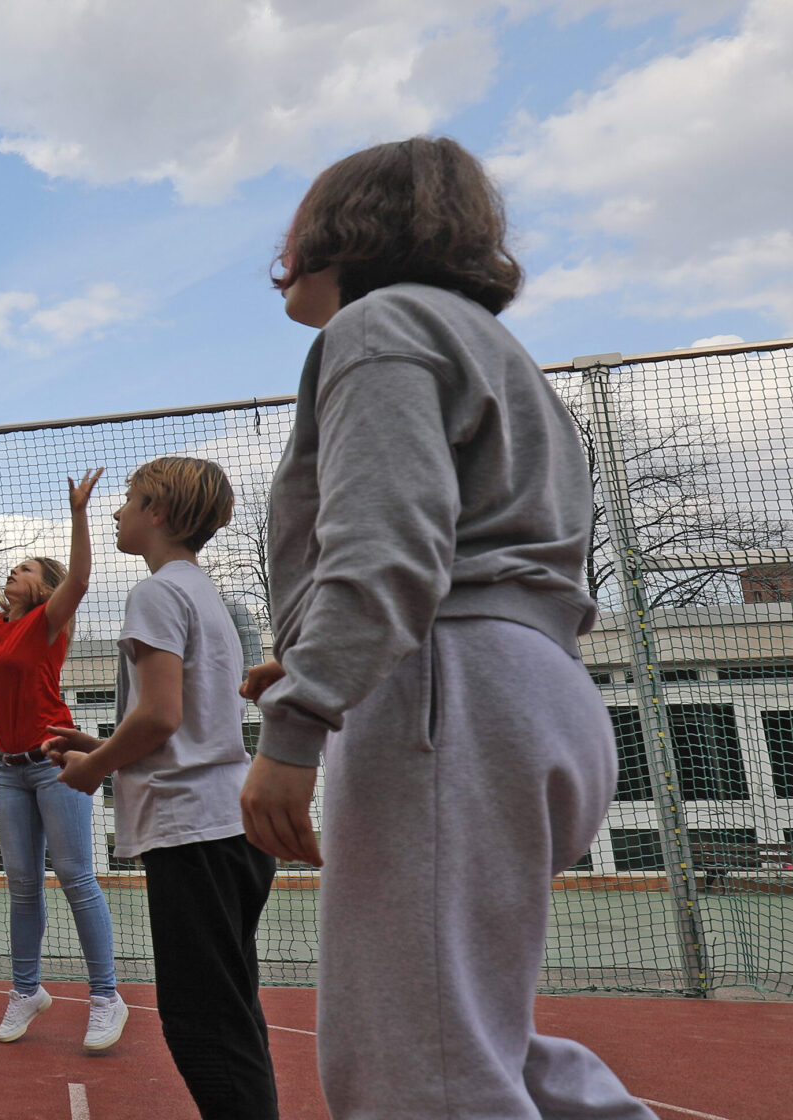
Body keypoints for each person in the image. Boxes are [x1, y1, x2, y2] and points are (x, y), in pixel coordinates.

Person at [239, 136, 652, 1119]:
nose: (281, 242)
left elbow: (389, 549)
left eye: (300, 216)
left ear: (350, 225)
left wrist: (297, 719)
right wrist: (311, 657)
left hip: (450, 695)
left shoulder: (376, 325)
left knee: (415, 1073)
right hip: (532, 689)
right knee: (471, 1036)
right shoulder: (498, 353)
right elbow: (460, 544)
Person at [48, 458, 280, 1119]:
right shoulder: (206, 596)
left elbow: (158, 717)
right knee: (230, 1013)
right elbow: (190, 729)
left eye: (129, 501)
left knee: (201, 1021)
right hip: (226, 827)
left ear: (159, 514)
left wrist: (92, 772)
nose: (118, 512)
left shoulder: (155, 594)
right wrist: (98, 748)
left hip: (194, 831)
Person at [0, 472, 125, 1053]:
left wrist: (79, 513)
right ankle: (27, 990)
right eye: (14, 568)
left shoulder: (48, 623)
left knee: (76, 879)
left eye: (26, 569)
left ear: (41, 590)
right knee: (21, 886)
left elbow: (81, 578)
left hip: (54, 760)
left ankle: (106, 997)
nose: (13, 572)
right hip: (8, 769)